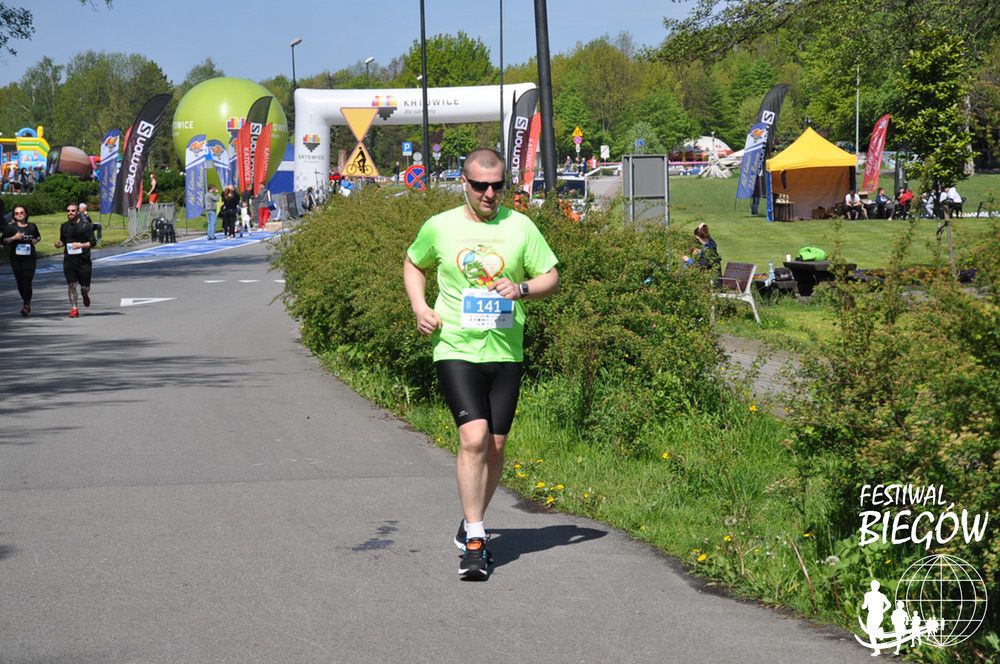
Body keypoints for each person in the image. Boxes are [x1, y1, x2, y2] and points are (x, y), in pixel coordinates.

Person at [404, 148, 560, 580]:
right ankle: (476, 540)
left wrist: (522, 288)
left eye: (496, 186)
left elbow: (551, 276)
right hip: (455, 346)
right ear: (464, 183)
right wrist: (420, 307)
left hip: (505, 351)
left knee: (495, 446)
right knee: (473, 439)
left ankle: (471, 517)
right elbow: (414, 263)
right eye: (479, 186)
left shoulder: (520, 226)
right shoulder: (440, 226)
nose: (489, 194)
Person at [54, 203, 96, 318]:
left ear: (78, 212)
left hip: (83, 261)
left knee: (84, 288)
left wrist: (80, 245)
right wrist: (59, 244)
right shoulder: (64, 226)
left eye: (73, 211)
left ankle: (85, 295)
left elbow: (93, 242)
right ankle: (74, 308)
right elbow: (63, 240)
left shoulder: (86, 226)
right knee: (71, 285)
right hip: (69, 260)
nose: (70, 213)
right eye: (68, 211)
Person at [2, 205, 41, 316]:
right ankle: (25, 301)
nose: (19, 215)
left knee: (27, 280)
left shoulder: (32, 226)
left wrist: (35, 240)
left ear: (26, 214)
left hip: (30, 258)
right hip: (16, 258)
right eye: (16, 213)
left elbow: (38, 236)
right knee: (20, 281)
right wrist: (14, 238)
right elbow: (3, 241)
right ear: (14, 216)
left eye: (21, 212)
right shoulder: (11, 228)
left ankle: (26, 304)